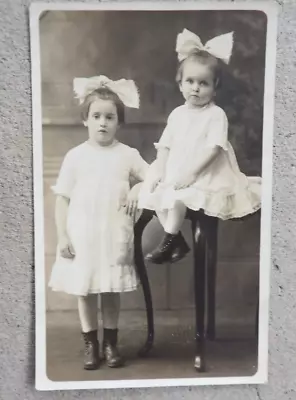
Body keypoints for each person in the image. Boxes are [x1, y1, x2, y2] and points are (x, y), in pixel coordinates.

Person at [48, 75, 148, 370]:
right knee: (85, 289)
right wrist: (63, 236)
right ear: (86, 120)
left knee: (110, 290)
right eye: (96, 116)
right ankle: (90, 343)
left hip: (113, 233)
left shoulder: (127, 154)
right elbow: (62, 199)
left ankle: (111, 343)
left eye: (110, 117)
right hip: (83, 235)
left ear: (119, 122)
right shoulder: (76, 156)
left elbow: (155, 176)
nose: (103, 122)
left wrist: (138, 187)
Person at [138, 28, 261, 264]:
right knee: (152, 193)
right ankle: (176, 241)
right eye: (190, 81)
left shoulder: (216, 115)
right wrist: (160, 169)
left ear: (215, 87)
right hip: (175, 167)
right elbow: (165, 144)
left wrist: (192, 173)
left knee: (178, 198)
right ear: (180, 84)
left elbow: (214, 149)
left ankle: (168, 241)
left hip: (205, 171)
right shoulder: (177, 114)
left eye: (203, 83)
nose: (195, 88)